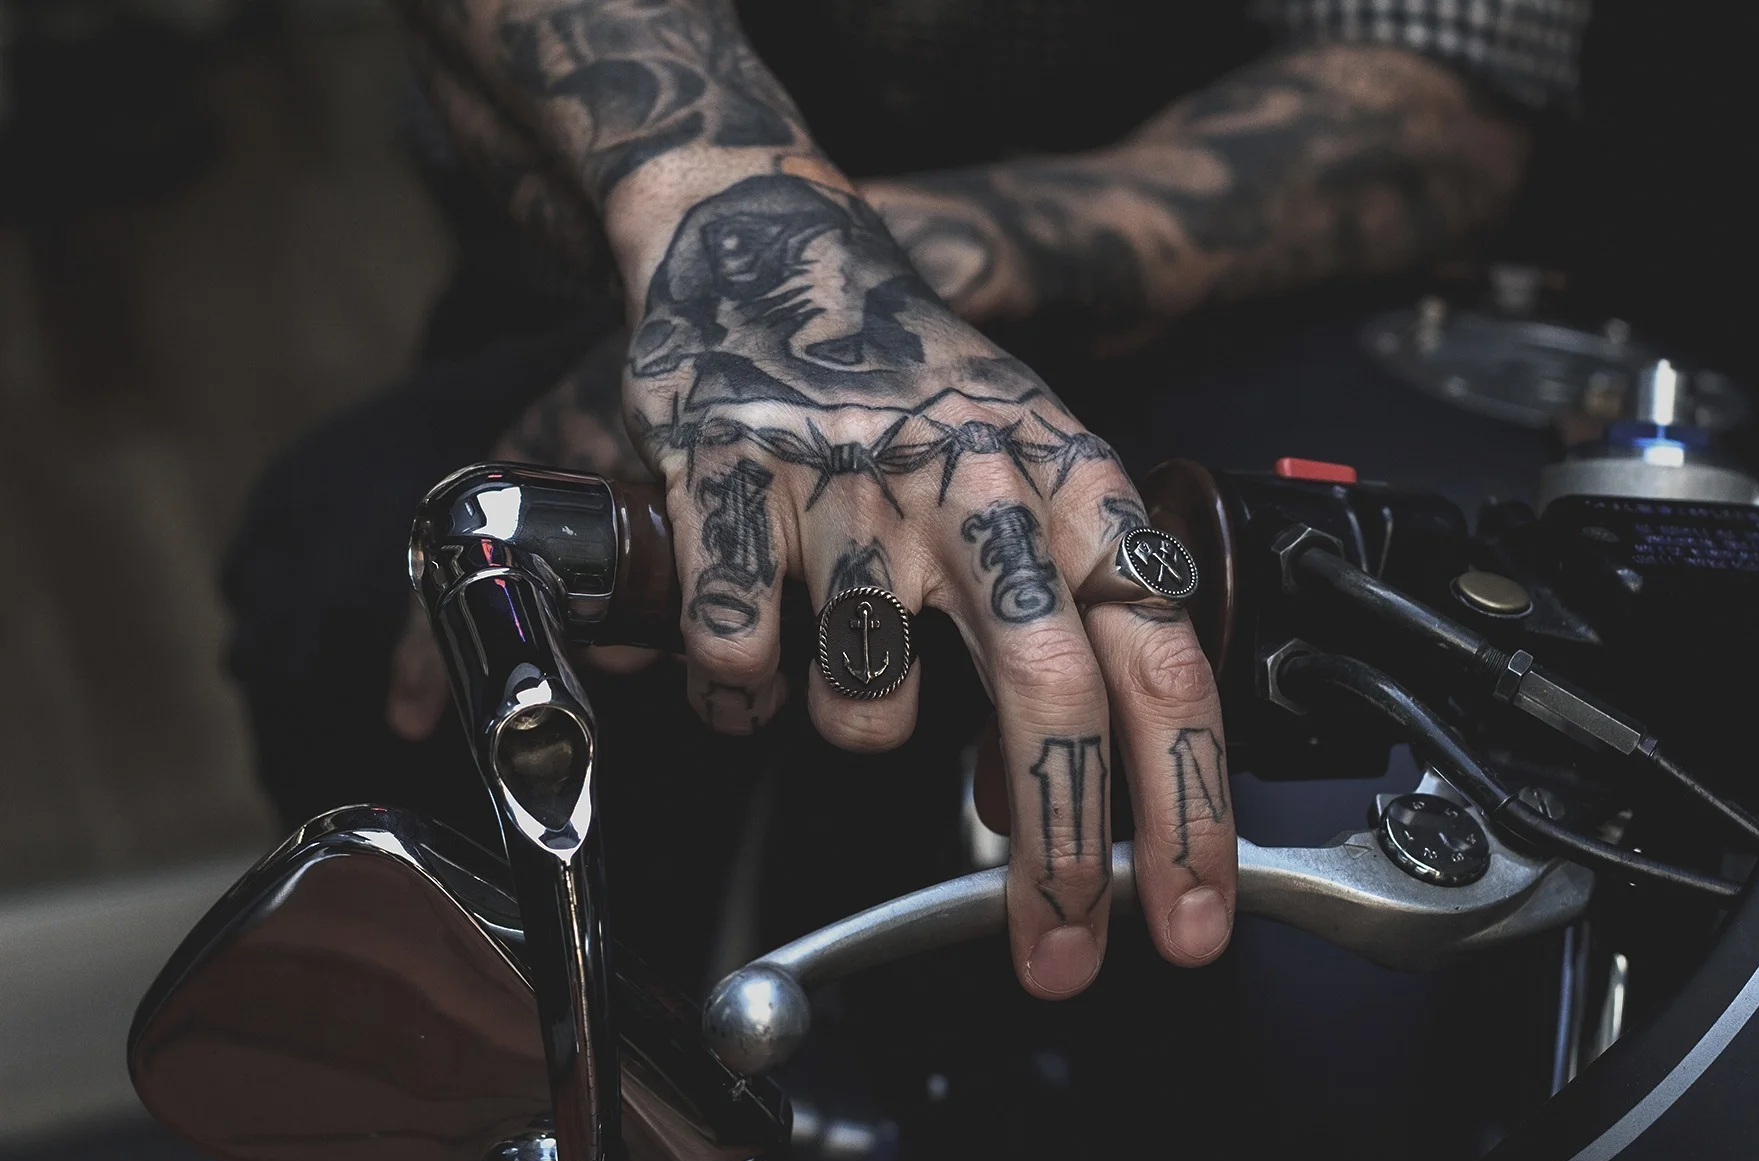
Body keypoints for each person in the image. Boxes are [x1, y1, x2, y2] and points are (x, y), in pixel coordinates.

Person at [229, 0, 1587, 1010]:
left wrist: (853, 274)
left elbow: (1435, 101)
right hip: (619, 259)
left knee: (1328, 841)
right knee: (349, 590)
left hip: (1200, 300)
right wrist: (736, 224)